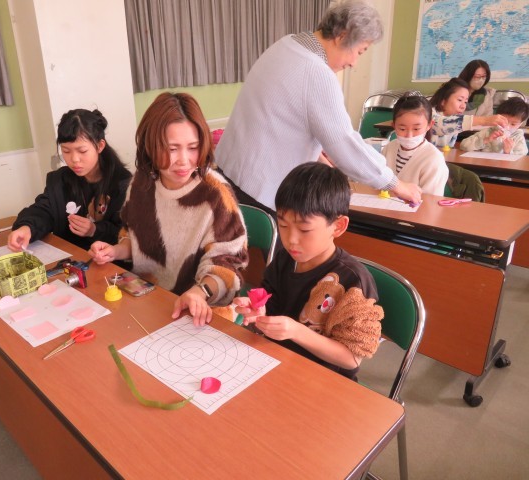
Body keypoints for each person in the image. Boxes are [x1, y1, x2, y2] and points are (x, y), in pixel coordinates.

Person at [215, 0, 422, 214]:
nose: (354, 63)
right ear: (342, 36)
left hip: (228, 174)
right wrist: (395, 184)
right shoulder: (317, 73)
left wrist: (317, 157)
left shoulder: (286, 45)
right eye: (360, 51)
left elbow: (281, 119)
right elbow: (344, 143)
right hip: (257, 191)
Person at [89, 93, 248, 326]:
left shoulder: (215, 194)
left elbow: (228, 266)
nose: (183, 160)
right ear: (150, 147)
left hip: (201, 312)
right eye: (172, 149)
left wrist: (199, 292)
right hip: (151, 300)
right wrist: (115, 251)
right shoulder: (142, 184)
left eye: (193, 147)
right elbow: (135, 238)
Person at [234, 163, 383, 381]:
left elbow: (352, 358)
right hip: (277, 362)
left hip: (324, 379)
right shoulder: (285, 259)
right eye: (283, 226)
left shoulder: (353, 281)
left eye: (304, 230)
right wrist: (258, 309)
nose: (291, 240)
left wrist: (297, 331)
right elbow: (270, 303)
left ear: (338, 226)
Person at [8, 109, 132, 252]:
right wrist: (27, 228)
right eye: (66, 151)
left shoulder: (124, 184)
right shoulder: (61, 179)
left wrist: (94, 230)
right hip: (66, 255)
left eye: (82, 151)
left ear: (100, 146)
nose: (74, 159)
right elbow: (43, 210)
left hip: (105, 260)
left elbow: (128, 235)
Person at [382, 93, 448, 196]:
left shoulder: (434, 159)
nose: (409, 135)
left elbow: (430, 200)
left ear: (429, 125)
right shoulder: (389, 148)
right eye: (402, 129)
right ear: (393, 125)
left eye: (416, 129)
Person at [429, 77, 507, 149]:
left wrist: (486, 139)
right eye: (460, 100)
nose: (463, 106)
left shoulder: (454, 119)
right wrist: (484, 120)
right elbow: (437, 125)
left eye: (465, 102)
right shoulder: (428, 112)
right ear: (443, 101)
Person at [460, 97, 529, 155]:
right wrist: (485, 140)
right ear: (497, 117)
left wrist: (508, 152)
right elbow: (464, 146)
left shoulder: (518, 136)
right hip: (485, 165)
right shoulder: (488, 131)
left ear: (520, 124)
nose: (507, 127)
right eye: (503, 121)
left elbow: (521, 159)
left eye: (513, 124)